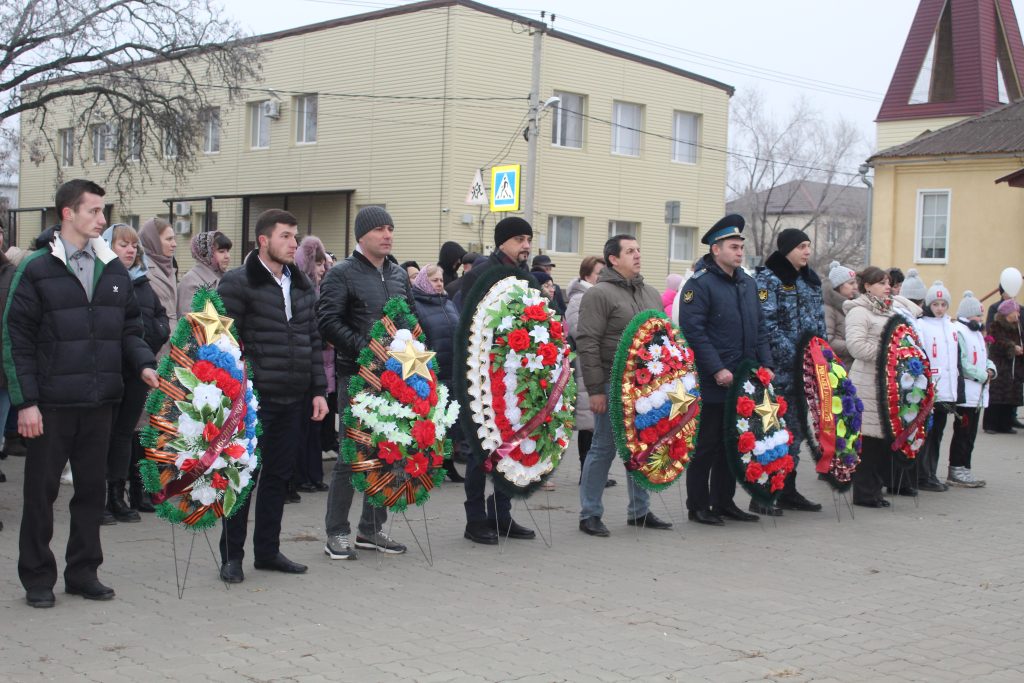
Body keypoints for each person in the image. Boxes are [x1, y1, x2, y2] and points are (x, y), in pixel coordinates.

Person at [5, 179, 159, 607]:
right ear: (67, 213)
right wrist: (26, 403)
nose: (102, 220)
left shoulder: (113, 269)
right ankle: (37, 577)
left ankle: (83, 572)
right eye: (93, 211)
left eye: (102, 211)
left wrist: (144, 364)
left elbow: (130, 328)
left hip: (100, 401)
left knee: (92, 492)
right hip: (50, 405)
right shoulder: (36, 268)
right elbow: (15, 339)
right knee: (41, 495)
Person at [217, 209, 329, 583]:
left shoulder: (300, 284)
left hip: (293, 397)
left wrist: (318, 391)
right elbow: (224, 343)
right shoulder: (238, 282)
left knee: (278, 477)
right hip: (253, 399)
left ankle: (267, 551)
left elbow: (312, 340)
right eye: (285, 236)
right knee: (243, 477)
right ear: (263, 240)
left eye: (295, 236)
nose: (293, 243)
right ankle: (232, 556)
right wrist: (237, 391)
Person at [319, 206, 412, 560]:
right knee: (352, 455)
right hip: (358, 377)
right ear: (361, 235)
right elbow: (328, 322)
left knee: (387, 452)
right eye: (379, 229)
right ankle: (337, 532)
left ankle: (371, 529)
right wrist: (367, 349)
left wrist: (414, 351)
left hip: (395, 379)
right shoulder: (342, 273)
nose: (387, 235)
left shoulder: (398, 274)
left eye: (390, 228)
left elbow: (410, 318)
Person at [577, 234, 673, 537]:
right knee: (603, 447)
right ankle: (590, 513)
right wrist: (595, 390)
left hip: (646, 388)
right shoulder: (599, 294)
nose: (638, 255)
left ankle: (639, 511)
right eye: (630, 251)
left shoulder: (651, 293)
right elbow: (588, 342)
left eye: (639, 249)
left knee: (642, 446)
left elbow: (663, 338)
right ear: (613, 259)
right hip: (611, 383)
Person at [678, 215, 772, 526]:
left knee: (732, 444)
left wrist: (766, 365)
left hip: (743, 379)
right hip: (713, 379)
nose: (739, 252)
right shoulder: (700, 284)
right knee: (707, 445)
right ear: (716, 249)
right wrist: (717, 369)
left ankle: (724, 502)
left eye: (741, 247)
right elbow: (694, 332)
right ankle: (698, 505)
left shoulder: (747, 283)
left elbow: (760, 328)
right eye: (733, 247)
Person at [455, 216, 537, 545]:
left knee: (511, 447)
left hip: (517, 376)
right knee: (481, 451)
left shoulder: (527, 277)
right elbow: (468, 325)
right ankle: (475, 519)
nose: (526, 245)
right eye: (519, 239)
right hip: (484, 377)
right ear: (502, 242)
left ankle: (501, 515)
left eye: (528, 239)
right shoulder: (478, 275)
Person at [100, 224, 170, 523]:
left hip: (137, 369)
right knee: (103, 434)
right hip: (109, 368)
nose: (130, 250)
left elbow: (159, 316)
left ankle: (118, 495)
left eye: (133, 246)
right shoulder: (101, 279)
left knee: (124, 434)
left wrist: (152, 339)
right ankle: (99, 497)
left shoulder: (141, 282)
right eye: (122, 244)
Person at [753, 228, 824, 515]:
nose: (807, 251)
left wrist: (821, 356)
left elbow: (819, 324)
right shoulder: (768, 280)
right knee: (772, 433)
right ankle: (763, 493)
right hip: (779, 372)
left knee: (796, 432)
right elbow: (768, 326)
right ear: (786, 250)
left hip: (805, 373)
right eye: (801, 246)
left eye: (808, 246)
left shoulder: (810, 280)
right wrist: (799, 357)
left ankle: (787, 490)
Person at [844, 267, 922, 508]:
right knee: (868, 440)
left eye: (888, 282)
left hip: (888, 384)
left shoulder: (890, 311)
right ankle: (864, 493)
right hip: (866, 383)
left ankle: (875, 490)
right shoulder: (859, 312)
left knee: (882, 441)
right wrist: (890, 353)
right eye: (881, 283)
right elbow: (856, 346)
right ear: (867, 286)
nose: (887, 287)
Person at [410, 264, 464, 483]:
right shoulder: (416, 305)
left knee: (449, 421)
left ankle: (447, 463)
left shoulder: (448, 303)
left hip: (452, 369)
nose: (440, 284)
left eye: (441, 280)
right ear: (424, 281)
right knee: (431, 421)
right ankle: (426, 465)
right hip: (432, 371)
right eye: (434, 280)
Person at [564, 256, 611, 486]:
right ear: (586, 275)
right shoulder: (579, 299)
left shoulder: (598, 296)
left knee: (595, 424)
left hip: (597, 364)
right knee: (588, 424)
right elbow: (578, 330)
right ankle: (587, 473)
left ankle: (594, 474)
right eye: (598, 273)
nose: (601, 277)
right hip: (586, 365)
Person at [293, 235, 331, 494]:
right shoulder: (299, 290)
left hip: (319, 368)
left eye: (323, 264)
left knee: (314, 427)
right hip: (303, 368)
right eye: (317, 264)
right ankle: (300, 477)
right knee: (301, 428)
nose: (321, 269)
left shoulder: (318, 290)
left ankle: (313, 474)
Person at [915, 281, 957, 492]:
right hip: (931, 387)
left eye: (943, 304)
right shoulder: (922, 325)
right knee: (927, 434)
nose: (940, 308)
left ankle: (931, 472)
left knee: (938, 433)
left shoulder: (951, 327)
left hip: (947, 391)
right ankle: (922, 475)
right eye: (935, 304)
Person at [949, 292, 992, 488]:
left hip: (978, 394)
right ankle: (956, 468)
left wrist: (991, 370)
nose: (980, 319)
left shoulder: (976, 333)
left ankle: (965, 468)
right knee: (963, 433)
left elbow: (985, 358)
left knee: (971, 435)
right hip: (966, 392)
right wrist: (983, 375)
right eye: (978, 315)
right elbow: (963, 363)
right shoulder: (959, 332)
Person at [138, 218, 178, 355]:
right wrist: (160, 332)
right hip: (156, 346)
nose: (174, 244)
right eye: (169, 239)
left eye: (173, 239)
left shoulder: (169, 266)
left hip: (174, 343)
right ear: (153, 240)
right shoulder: (141, 269)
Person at [984, 299, 1024, 434]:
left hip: (1014, 367)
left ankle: (1005, 425)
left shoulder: (1018, 327)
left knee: (1010, 397)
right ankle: (990, 424)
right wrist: (1012, 347)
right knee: (996, 397)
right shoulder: (996, 326)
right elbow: (996, 343)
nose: (1018, 314)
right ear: (1008, 312)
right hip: (1000, 366)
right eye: (1016, 311)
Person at [177, 230, 232, 316]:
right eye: (221, 251)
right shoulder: (190, 281)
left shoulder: (228, 277)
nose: (227, 256)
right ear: (206, 254)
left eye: (228, 251)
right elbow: (191, 318)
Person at [824, 261, 858, 368]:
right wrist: (857, 347)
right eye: (851, 283)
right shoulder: (828, 309)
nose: (856, 287)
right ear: (839, 286)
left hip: (856, 365)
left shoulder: (856, 305)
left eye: (856, 283)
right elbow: (828, 341)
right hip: (840, 367)